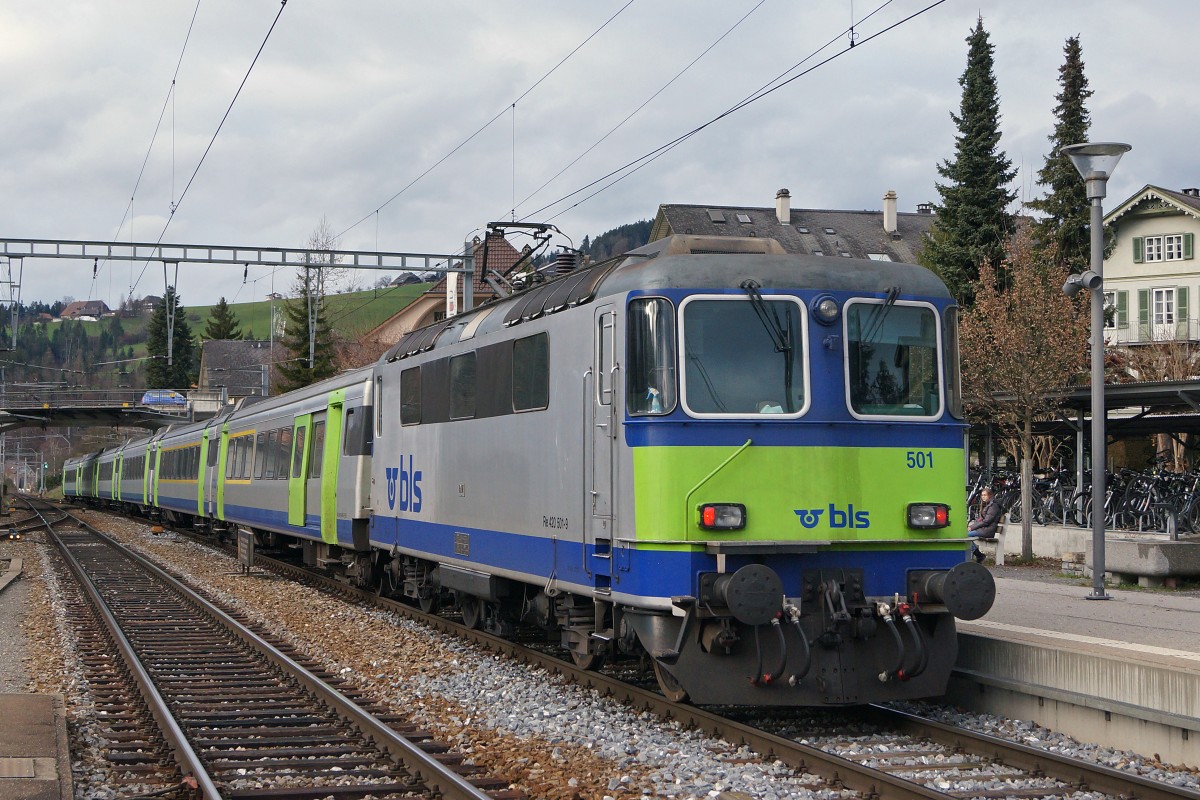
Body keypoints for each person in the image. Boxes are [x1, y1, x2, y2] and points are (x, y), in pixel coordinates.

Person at [967, 487, 1002, 564]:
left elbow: (986, 521)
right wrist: (971, 527)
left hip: (987, 531)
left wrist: (972, 527)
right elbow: (980, 520)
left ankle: (979, 555)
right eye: (982, 495)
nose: (983, 497)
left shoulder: (993, 506)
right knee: (965, 535)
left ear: (990, 496)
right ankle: (978, 555)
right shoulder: (988, 505)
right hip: (983, 529)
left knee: (965, 536)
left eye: (985, 495)